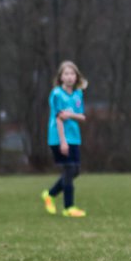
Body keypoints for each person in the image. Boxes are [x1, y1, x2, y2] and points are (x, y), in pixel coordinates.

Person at [41, 60, 88, 218]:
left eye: (72, 74)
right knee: (69, 170)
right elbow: (60, 119)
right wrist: (63, 141)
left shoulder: (78, 94)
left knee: (76, 171)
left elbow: (82, 116)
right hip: (58, 137)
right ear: (60, 77)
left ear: (76, 77)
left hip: (74, 136)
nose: (69, 77)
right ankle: (69, 207)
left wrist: (71, 115)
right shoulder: (56, 94)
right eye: (66, 74)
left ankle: (50, 194)